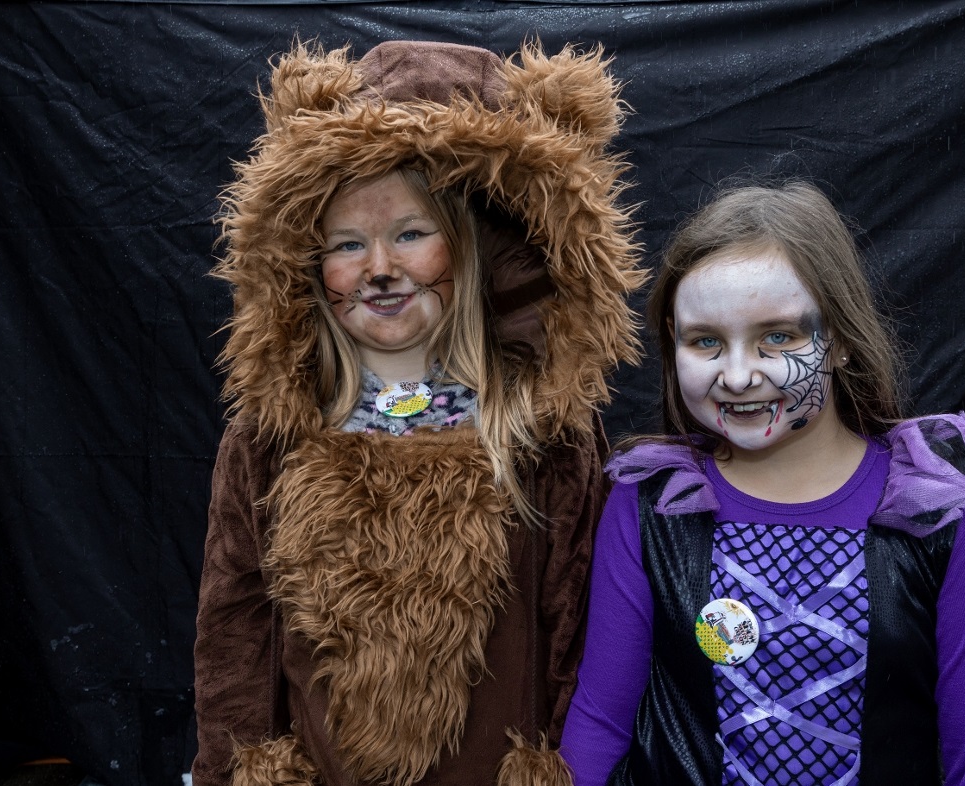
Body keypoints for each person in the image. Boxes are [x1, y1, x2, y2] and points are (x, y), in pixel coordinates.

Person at [191, 39, 645, 786]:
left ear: (466, 250)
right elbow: (233, 634)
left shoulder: (541, 431)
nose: (378, 268)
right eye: (347, 244)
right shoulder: (272, 435)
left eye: (409, 233)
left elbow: (579, 629)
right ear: (308, 265)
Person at [559, 180, 965, 786]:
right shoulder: (652, 507)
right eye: (706, 341)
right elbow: (601, 722)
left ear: (836, 340)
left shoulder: (937, 526)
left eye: (777, 337)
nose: (737, 375)